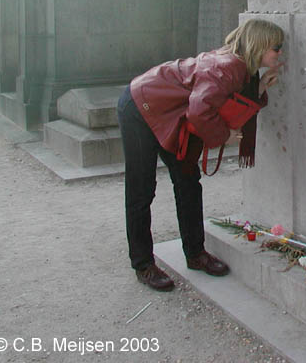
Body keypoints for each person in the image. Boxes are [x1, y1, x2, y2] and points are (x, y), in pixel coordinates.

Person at [116, 19, 285, 291]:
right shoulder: (228, 67)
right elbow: (199, 110)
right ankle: (143, 264)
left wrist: (261, 87)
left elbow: (224, 101)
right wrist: (224, 137)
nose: (280, 53)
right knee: (141, 190)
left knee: (188, 183)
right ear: (260, 45)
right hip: (141, 108)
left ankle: (195, 253)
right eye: (277, 47)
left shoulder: (241, 66)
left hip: (167, 112)